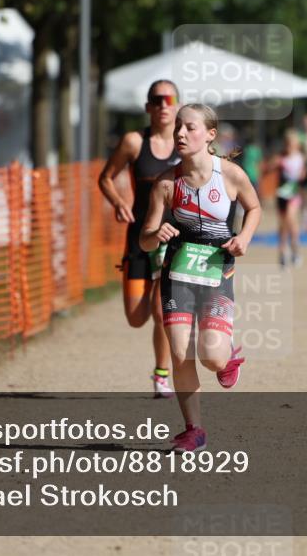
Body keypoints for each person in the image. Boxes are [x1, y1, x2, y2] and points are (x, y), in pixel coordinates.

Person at [140, 103, 262, 452]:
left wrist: (244, 238)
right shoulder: (166, 183)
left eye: (189, 127)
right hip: (177, 273)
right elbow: (144, 237)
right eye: (178, 127)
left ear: (210, 134)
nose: (180, 133)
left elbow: (254, 207)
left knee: (211, 357)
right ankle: (194, 429)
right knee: (180, 352)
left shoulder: (231, 175)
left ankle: (228, 360)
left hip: (216, 272)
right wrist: (156, 235)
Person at [98, 80, 181, 398]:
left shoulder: (186, 141)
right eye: (157, 100)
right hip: (138, 237)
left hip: (172, 239)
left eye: (169, 99)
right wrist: (119, 202)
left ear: (177, 104)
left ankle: (162, 375)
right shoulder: (134, 142)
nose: (163, 105)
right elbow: (105, 177)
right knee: (136, 317)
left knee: (161, 312)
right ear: (148, 107)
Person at [275, 129, 306, 268]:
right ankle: (282, 253)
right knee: (283, 225)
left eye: (292, 143)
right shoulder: (281, 157)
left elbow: (304, 175)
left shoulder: (301, 158)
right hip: (281, 195)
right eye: (288, 143)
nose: (290, 146)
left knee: (291, 220)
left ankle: (295, 251)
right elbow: (268, 168)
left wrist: (300, 176)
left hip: (294, 195)